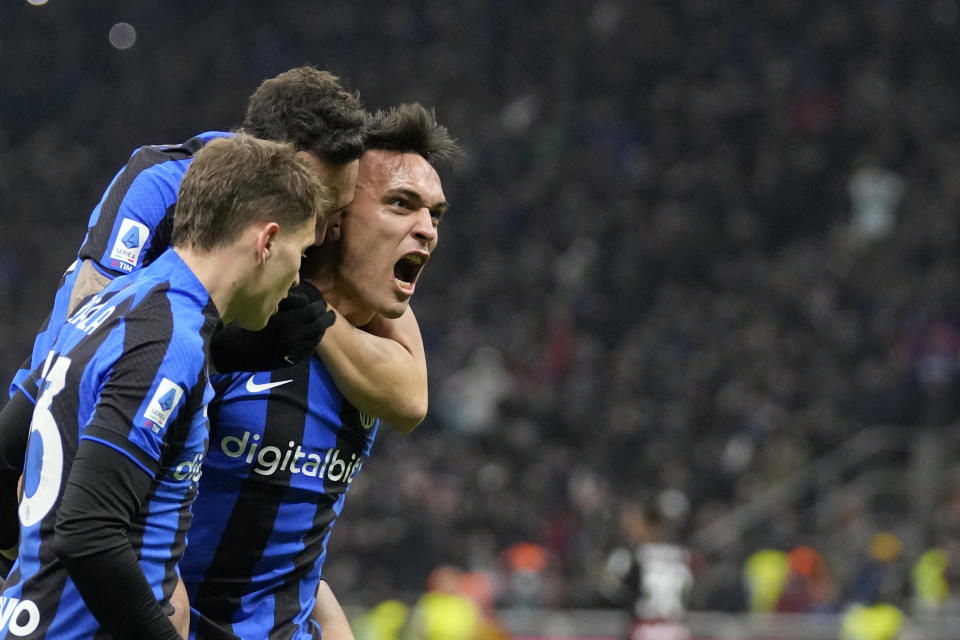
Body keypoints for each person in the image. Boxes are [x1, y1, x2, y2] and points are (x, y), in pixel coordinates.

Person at [0, 134, 325, 640]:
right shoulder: (168, 338)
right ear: (266, 241)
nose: (298, 276)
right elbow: (89, 532)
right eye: (300, 253)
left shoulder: (122, 303)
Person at [180, 102, 458, 640]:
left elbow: (412, 401)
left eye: (435, 214)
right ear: (332, 218)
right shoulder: (230, 324)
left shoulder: (376, 340)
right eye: (401, 205)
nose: (426, 230)